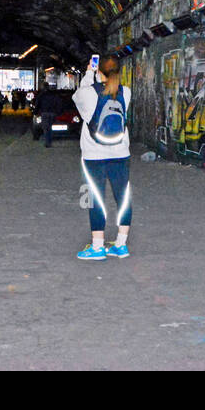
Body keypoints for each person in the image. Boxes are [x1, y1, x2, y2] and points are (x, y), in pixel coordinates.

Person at [71, 55, 132, 260]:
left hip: (93, 155)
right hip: (121, 153)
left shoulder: (88, 93)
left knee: (94, 198)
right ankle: (121, 245)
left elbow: (78, 97)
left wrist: (89, 73)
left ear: (99, 72)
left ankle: (97, 247)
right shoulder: (127, 92)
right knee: (123, 197)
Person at [35, 81, 60, 149]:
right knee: (50, 127)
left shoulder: (41, 95)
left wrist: (35, 113)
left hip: (44, 112)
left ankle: (47, 143)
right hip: (52, 113)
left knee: (46, 128)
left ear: (43, 87)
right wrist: (57, 111)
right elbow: (57, 103)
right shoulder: (53, 94)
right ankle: (50, 141)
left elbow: (37, 104)